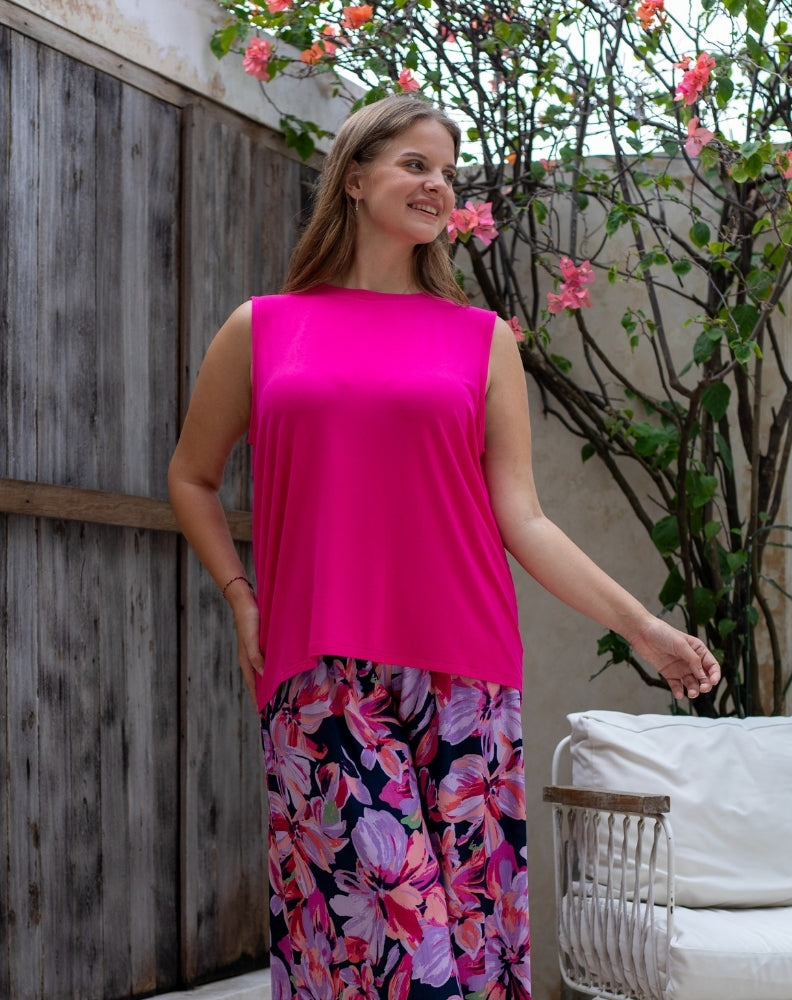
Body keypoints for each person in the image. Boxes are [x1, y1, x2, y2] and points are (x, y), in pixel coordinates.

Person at [168, 94, 720, 1000]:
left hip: (468, 678)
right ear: (354, 176)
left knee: (470, 948)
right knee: (384, 951)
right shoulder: (262, 327)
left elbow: (524, 519)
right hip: (320, 672)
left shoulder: (482, 340)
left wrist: (646, 628)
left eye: (447, 172)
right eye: (416, 164)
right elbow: (191, 475)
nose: (438, 185)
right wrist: (241, 597)